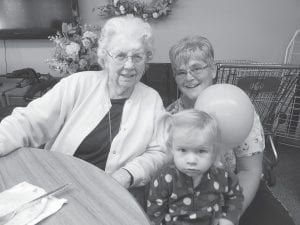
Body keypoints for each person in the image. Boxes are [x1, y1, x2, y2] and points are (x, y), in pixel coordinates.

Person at [0, 15, 171, 207]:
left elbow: (160, 152)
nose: (130, 65)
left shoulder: (152, 100)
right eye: (121, 55)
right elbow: (27, 123)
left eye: (138, 56)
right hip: (58, 189)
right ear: (105, 57)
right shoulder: (78, 84)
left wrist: (128, 174)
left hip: (110, 197)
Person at [165, 35, 295, 225]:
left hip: (239, 184)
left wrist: (228, 215)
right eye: (180, 72)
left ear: (213, 69)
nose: (189, 77)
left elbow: (249, 170)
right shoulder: (171, 116)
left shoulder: (238, 106)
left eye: (196, 68)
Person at [147, 109, 244, 225]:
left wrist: (228, 218)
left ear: (214, 152)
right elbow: (155, 211)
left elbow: (235, 196)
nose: (191, 160)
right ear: (172, 148)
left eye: (201, 151)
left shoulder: (221, 175)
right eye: (183, 150)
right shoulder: (165, 177)